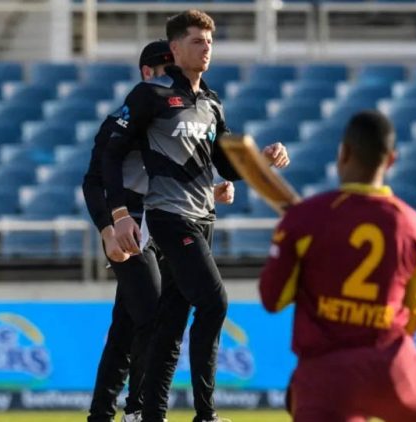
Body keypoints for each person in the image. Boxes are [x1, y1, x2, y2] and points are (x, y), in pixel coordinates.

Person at [102, 10, 289, 422]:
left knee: (171, 320)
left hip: (204, 218)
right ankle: (206, 414)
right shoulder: (150, 96)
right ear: (175, 48)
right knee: (214, 302)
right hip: (169, 217)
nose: (206, 49)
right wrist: (119, 215)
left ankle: (152, 413)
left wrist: (262, 160)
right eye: (196, 41)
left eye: (209, 42)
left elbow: (224, 165)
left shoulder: (211, 102)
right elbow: (112, 154)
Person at [259, 111, 416, 422]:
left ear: (342, 153)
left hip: (325, 374)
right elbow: (412, 322)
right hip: (392, 368)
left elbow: (272, 299)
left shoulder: (304, 219)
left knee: (305, 395)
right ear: (392, 160)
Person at [83, 40, 235, 422]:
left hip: (164, 220)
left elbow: (176, 176)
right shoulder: (130, 116)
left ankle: (102, 413)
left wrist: (212, 189)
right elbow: (93, 180)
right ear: (146, 73)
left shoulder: (175, 117)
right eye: (165, 69)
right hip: (131, 225)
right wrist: (106, 228)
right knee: (151, 313)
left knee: (127, 322)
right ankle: (137, 409)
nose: (173, 77)